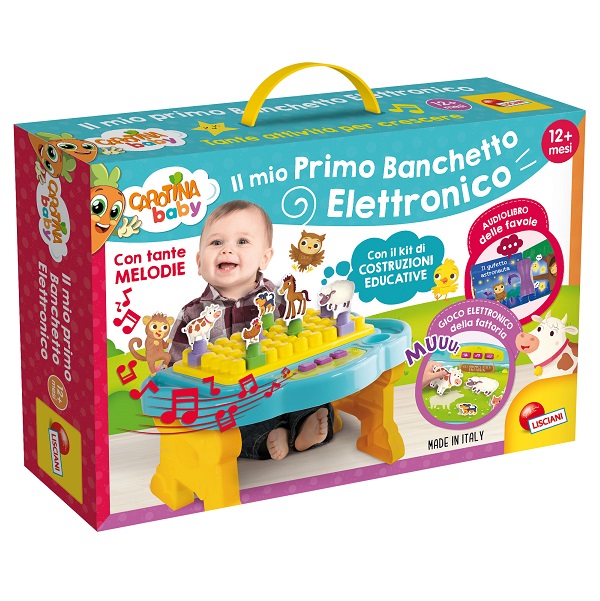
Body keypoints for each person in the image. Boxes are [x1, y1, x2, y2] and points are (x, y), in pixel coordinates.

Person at [169, 200, 334, 461]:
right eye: (216, 242)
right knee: (229, 430)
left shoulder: (279, 299)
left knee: (316, 396)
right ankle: (272, 437)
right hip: (234, 404)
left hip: (283, 387)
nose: (227, 250)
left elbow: (302, 338)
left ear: (264, 258)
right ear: (199, 262)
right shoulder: (193, 315)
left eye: (242, 241)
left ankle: (304, 425)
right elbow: (175, 368)